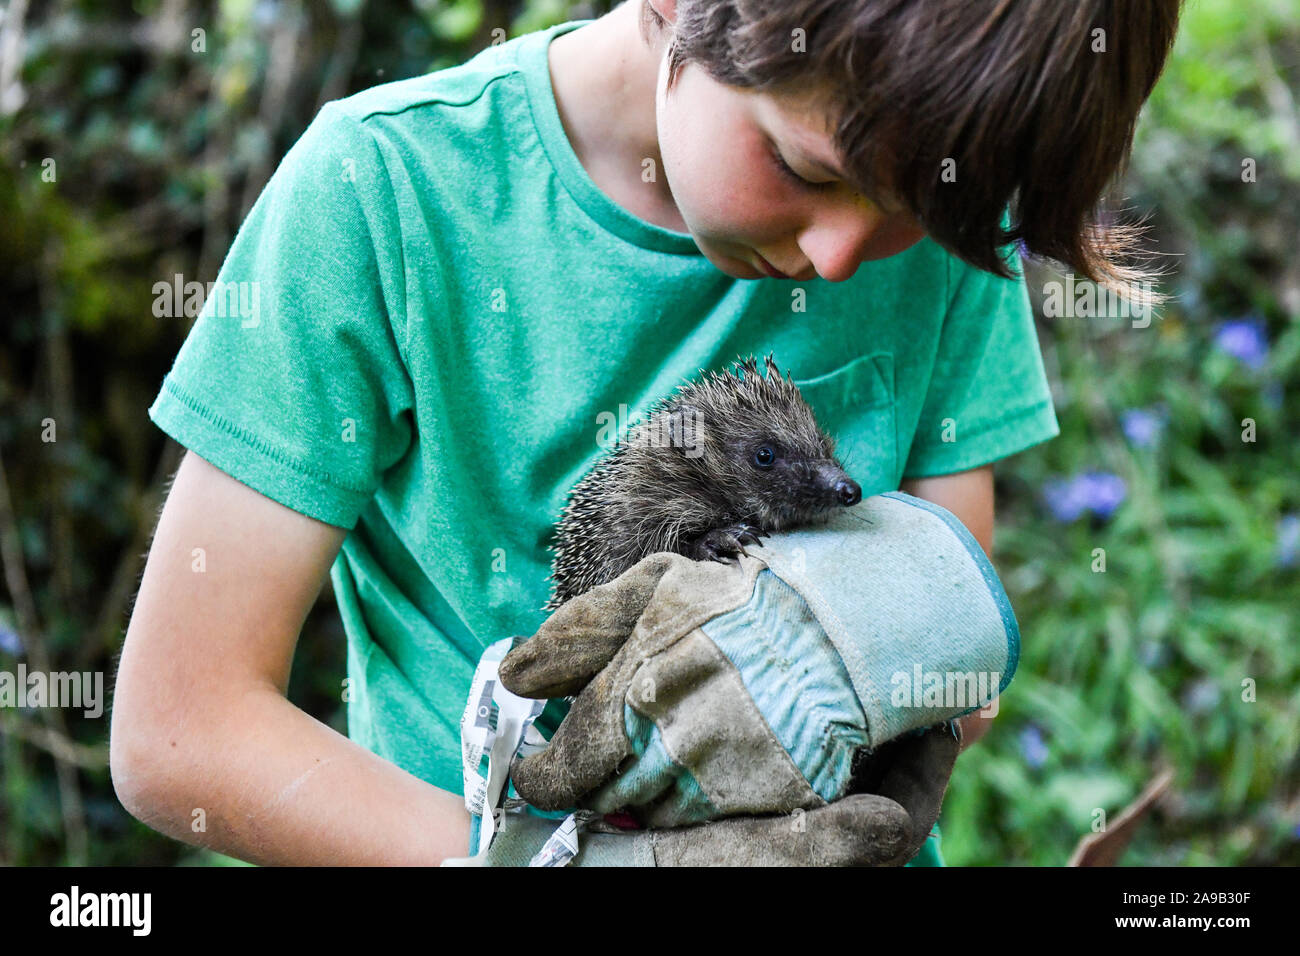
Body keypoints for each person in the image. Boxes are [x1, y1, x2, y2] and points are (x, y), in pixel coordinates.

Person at [109, 0, 1182, 865]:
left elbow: (963, 667)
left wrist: (843, 657)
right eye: (807, 170)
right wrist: (545, 864)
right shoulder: (382, 194)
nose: (848, 251)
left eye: (909, 209)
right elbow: (181, 730)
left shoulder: (942, 212)